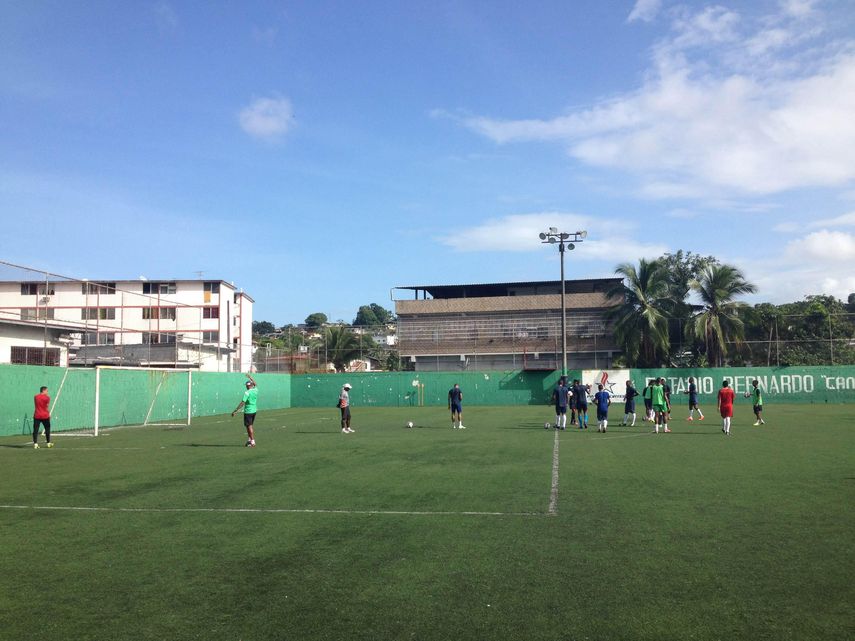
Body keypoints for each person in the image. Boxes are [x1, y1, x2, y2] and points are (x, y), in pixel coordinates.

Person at [231, 374, 258, 446]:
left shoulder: (247, 392)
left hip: (248, 412)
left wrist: (235, 410)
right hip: (254, 411)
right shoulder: (255, 390)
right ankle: (249, 440)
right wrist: (250, 377)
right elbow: (255, 384)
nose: (246, 386)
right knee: (249, 426)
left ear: (248, 386)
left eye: (246, 385)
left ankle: (252, 441)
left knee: (249, 426)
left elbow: (243, 402)